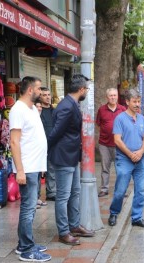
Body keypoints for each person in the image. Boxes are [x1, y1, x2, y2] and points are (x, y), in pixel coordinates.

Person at [48, 74, 95, 246]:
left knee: (75, 192)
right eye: (87, 89)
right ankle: (63, 231)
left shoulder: (71, 104)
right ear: (81, 89)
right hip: (63, 156)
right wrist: (48, 149)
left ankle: (74, 225)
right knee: (63, 196)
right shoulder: (66, 106)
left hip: (72, 156)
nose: (87, 92)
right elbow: (55, 132)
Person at [9, 76, 51, 262]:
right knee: (28, 208)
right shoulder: (18, 110)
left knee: (30, 208)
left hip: (35, 166)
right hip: (26, 167)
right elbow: (14, 141)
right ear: (29, 91)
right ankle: (27, 249)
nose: (41, 92)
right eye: (39, 89)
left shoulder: (32, 108)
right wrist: (19, 170)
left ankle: (23, 244)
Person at [107, 89, 144, 228]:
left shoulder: (141, 118)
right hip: (125, 160)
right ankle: (114, 212)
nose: (137, 104)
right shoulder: (120, 118)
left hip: (140, 159)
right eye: (134, 102)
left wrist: (141, 151)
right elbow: (117, 140)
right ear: (127, 102)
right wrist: (131, 154)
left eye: (139, 101)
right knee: (120, 190)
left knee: (141, 190)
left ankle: (137, 217)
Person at [96, 88, 126, 197]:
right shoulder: (101, 110)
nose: (113, 97)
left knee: (121, 168)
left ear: (117, 96)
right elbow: (98, 124)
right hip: (104, 144)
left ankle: (121, 190)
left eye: (114, 95)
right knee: (105, 168)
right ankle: (104, 189)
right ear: (107, 97)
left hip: (119, 145)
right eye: (111, 96)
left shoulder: (122, 109)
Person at [40, 87, 56, 201]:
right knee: (37, 171)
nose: (47, 97)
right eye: (44, 95)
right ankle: (36, 196)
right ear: (40, 97)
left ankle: (51, 192)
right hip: (39, 145)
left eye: (49, 94)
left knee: (52, 169)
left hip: (52, 144)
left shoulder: (54, 111)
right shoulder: (37, 111)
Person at [34, 99, 47, 208]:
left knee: (39, 176)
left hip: (40, 153)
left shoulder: (40, 119)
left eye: (40, 107)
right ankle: (33, 200)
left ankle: (37, 198)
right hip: (33, 154)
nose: (39, 109)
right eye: (37, 106)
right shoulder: (32, 119)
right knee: (33, 178)